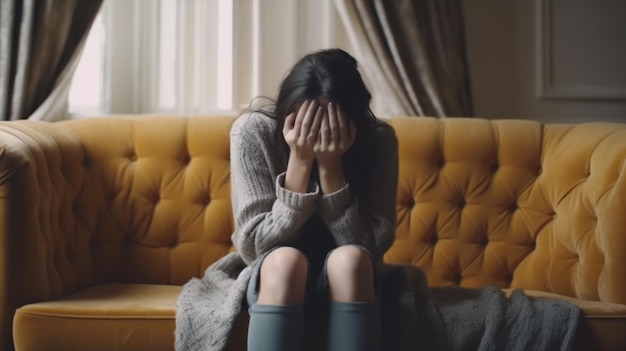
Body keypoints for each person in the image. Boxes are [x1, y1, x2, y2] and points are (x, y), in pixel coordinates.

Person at [175, 48, 398, 351]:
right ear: (286, 110)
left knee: (352, 260)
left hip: (354, 278)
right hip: (273, 275)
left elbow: (371, 246)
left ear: (354, 121)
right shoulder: (254, 131)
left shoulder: (379, 139)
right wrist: (300, 163)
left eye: (331, 125)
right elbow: (256, 246)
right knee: (285, 261)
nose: (317, 132)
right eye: (305, 122)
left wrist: (331, 169)